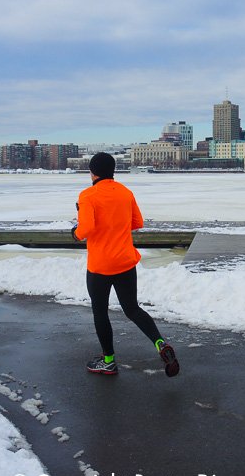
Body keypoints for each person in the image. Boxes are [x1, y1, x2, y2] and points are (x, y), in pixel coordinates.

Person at [71, 152, 179, 377]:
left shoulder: (87, 195)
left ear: (93, 172)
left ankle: (108, 361)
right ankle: (160, 343)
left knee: (100, 311)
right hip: (125, 261)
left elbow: (86, 229)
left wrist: (75, 231)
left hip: (100, 266)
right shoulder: (125, 192)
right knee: (132, 308)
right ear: (113, 171)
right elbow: (137, 222)